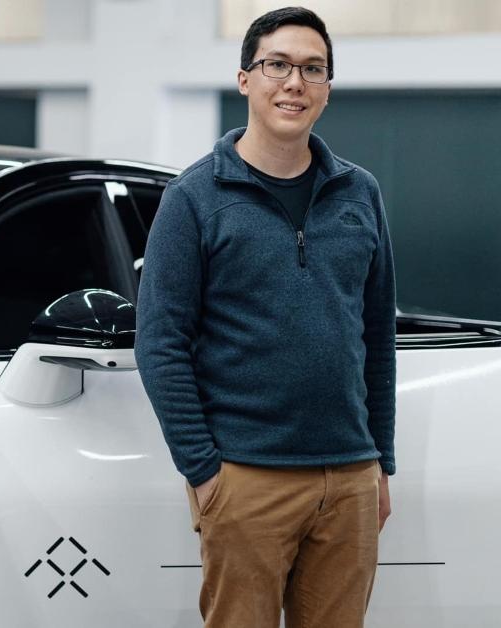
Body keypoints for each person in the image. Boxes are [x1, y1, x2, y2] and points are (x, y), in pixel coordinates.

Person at [134, 6, 395, 628]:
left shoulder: (361, 194)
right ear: (246, 79)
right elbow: (161, 342)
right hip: (246, 479)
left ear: (328, 87)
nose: (295, 82)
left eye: (313, 69)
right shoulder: (194, 197)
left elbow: (376, 335)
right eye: (277, 65)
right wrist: (204, 472)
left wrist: (379, 462)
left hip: (350, 477)